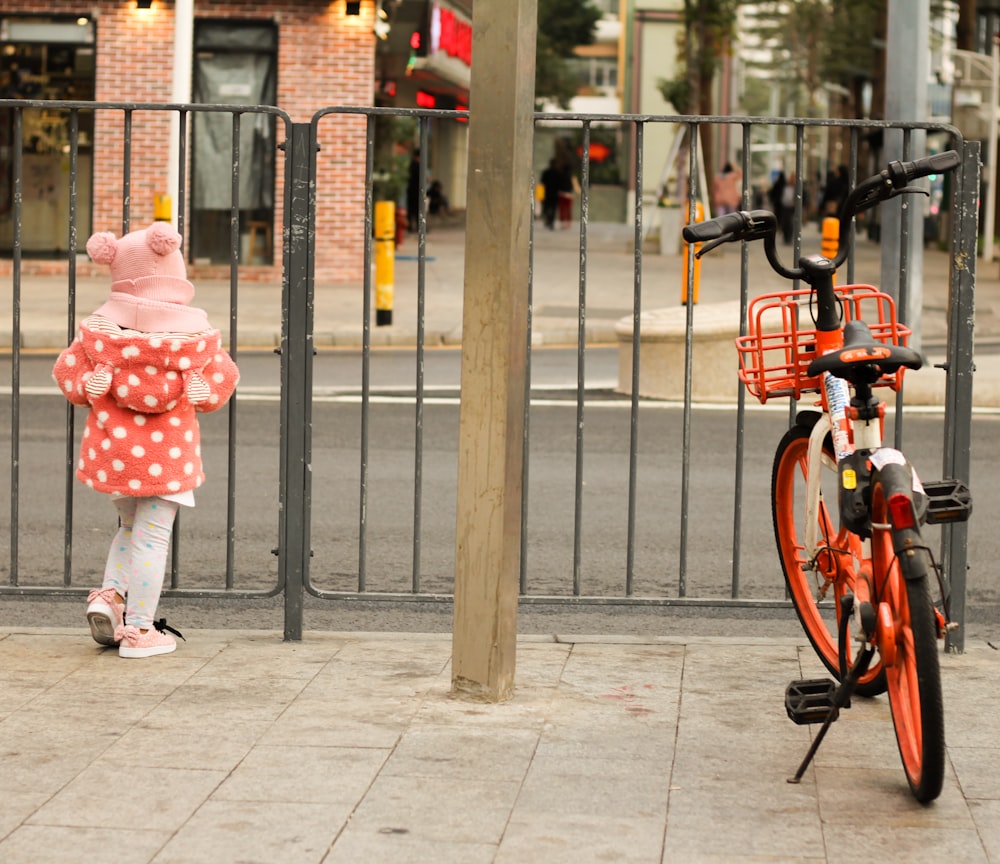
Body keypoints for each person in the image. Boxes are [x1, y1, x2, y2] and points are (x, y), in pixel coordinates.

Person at [52, 222, 240, 658]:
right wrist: (205, 394)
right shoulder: (193, 339)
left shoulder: (99, 334)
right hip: (167, 455)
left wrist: (90, 386)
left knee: (130, 527)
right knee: (153, 538)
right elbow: (220, 380)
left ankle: (108, 597)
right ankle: (138, 631)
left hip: (115, 453)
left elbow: (69, 374)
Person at [540, 159, 561, 229]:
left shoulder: (547, 172)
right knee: (552, 208)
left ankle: (549, 220)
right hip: (553, 193)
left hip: (548, 193)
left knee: (547, 208)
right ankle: (550, 221)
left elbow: (542, 182)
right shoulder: (557, 173)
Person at [406, 148, 421, 232]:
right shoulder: (417, 165)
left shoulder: (411, 164)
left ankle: (410, 226)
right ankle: (417, 227)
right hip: (416, 190)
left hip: (411, 189)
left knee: (411, 209)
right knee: (417, 209)